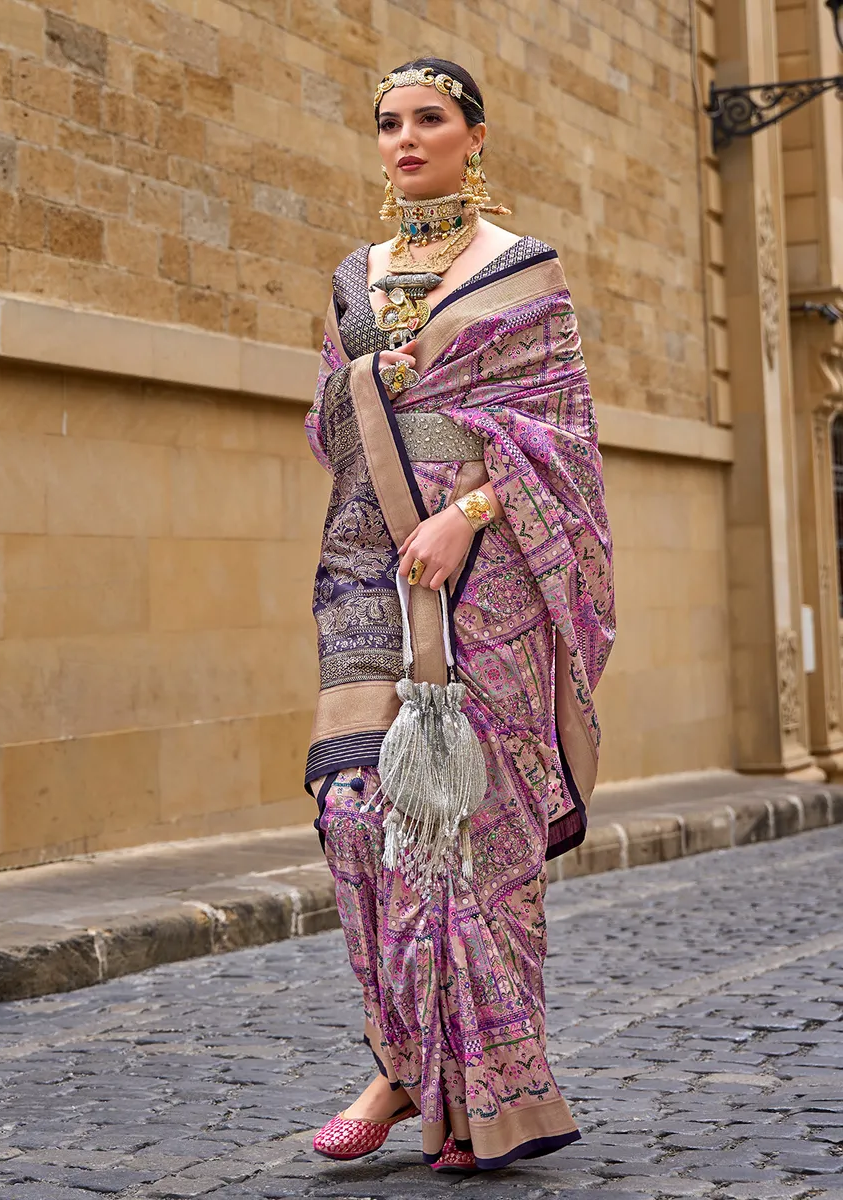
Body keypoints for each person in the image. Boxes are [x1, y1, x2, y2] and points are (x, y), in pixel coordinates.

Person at [303, 56, 615, 1174]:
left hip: (490, 579)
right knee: (353, 812)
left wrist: (469, 513)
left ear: (476, 136)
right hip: (364, 564)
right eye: (388, 122)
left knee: (470, 832)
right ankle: (399, 1057)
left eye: (428, 119)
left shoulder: (526, 273)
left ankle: (477, 1096)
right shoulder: (356, 273)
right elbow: (326, 420)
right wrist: (364, 386)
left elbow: (568, 444)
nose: (404, 138)